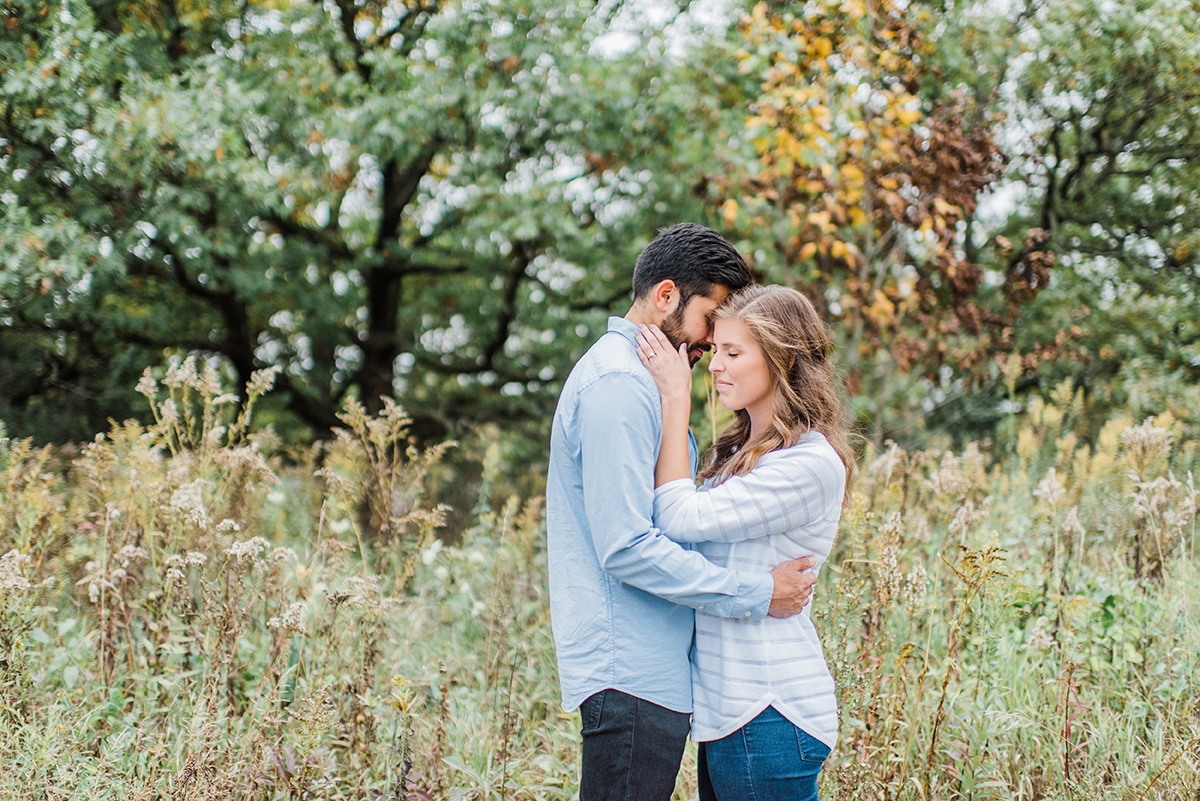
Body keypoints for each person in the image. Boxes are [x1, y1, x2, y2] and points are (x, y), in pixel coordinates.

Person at [546, 224, 820, 801]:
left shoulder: (647, 382)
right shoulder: (620, 385)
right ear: (666, 296)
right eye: (710, 318)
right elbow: (625, 545)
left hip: (658, 675)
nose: (710, 342)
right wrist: (755, 593)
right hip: (632, 673)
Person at [634, 284, 854, 801]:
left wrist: (673, 400)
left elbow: (677, 515)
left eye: (734, 353)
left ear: (782, 361)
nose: (715, 365)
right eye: (715, 351)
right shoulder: (744, 455)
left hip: (769, 708)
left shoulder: (808, 463)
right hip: (732, 712)